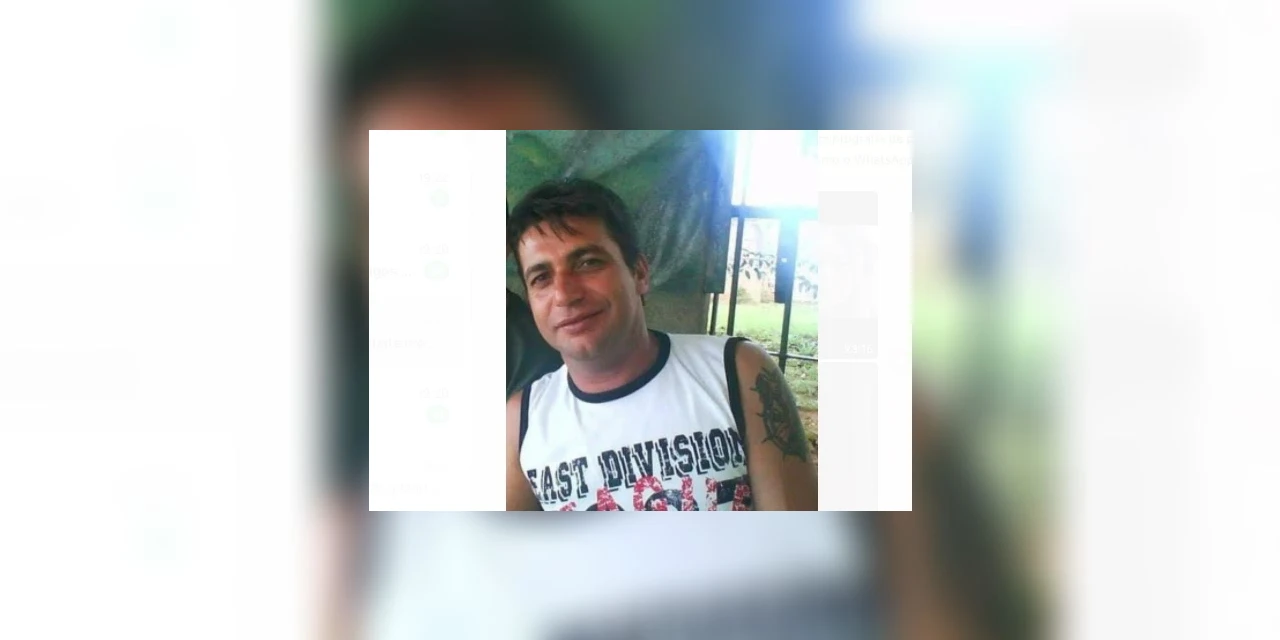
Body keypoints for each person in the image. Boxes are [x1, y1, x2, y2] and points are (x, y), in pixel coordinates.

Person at [506, 178, 819, 511]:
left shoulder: (737, 373)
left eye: (588, 263)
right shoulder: (521, 422)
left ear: (640, 273)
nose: (565, 294)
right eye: (541, 278)